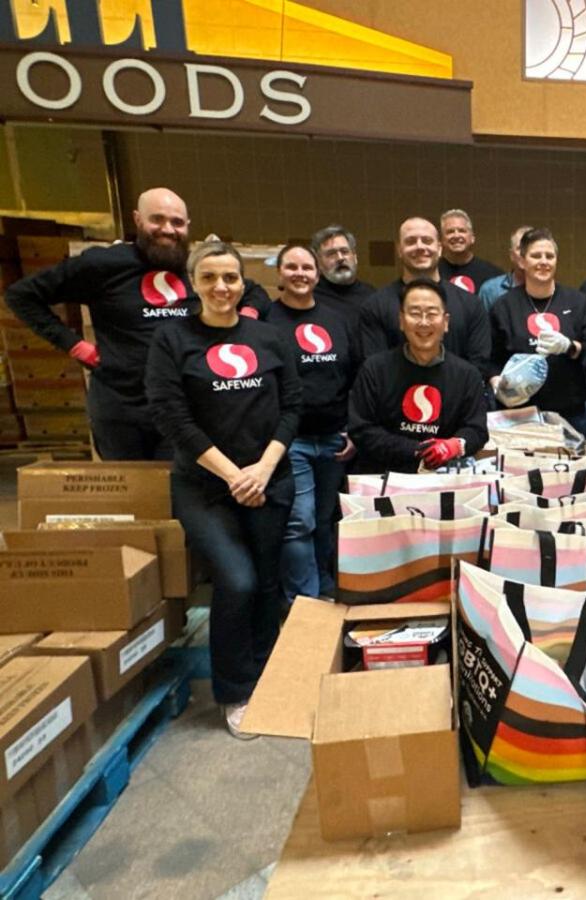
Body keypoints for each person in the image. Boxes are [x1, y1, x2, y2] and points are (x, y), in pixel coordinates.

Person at [145, 241, 301, 739]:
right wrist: (233, 475)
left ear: (242, 283)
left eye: (230, 277)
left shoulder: (269, 337)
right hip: (205, 487)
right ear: (193, 283)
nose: (221, 287)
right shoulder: (172, 340)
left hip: (268, 481)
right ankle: (234, 691)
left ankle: (268, 678)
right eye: (209, 277)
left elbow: (293, 407)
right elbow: (173, 417)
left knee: (268, 582)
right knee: (236, 581)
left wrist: (263, 468)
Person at [5, 188, 274, 459]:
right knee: (132, 496)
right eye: (157, 219)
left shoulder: (199, 267)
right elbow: (22, 295)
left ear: (187, 226)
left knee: (182, 494)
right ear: (137, 220)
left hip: (186, 408)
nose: (168, 229)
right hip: (123, 410)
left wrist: (242, 326)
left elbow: (254, 293)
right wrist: (75, 346)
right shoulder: (103, 264)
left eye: (177, 223)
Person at [262, 243, 358, 602]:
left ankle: (325, 587)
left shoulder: (336, 319)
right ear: (280, 273)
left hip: (335, 437)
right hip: (292, 440)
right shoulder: (268, 322)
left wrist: (351, 427)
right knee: (299, 522)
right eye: (292, 267)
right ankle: (303, 600)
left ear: (318, 274)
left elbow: (352, 375)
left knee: (324, 518)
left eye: (307, 267)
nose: (300, 273)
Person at [349, 279, 488, 474]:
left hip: (445, 478)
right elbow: (361, 429)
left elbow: (477, 430)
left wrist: (454, 445)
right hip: (383, 475)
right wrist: (417, 450)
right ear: (401, 321)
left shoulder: (467, 374)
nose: (423, 322)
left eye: (431, 314)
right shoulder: (374, 369)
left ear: (446, 322)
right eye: (415, 314)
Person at [358, 218, 491, 385]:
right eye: (411, 241)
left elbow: (478, 366)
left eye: (427, 241)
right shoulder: (375, 306)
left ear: (440, 248)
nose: (420, 247)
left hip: (455, 404)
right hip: (396, 405)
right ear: (399, 249)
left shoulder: (471, 304)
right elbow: (375, 370)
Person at [489, 228, 586, 435]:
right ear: (522, 261)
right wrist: (496, 383)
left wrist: (570, 346)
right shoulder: (504, 306)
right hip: (518, 415)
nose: (543, 261)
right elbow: (490, 358)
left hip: (571, 414)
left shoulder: (577, 302)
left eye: (550, 256)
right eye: (536, 255)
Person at [311, 225, 374, 328]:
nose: (340, 258)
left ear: (355, 258)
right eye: (331, 254)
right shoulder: (311, 297)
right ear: (318, 263)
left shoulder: (371, 296)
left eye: (344, 252)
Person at [437, 209, 503, 294]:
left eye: (462, 231)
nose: (456, 235)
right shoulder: (432, 271)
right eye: (450, 232)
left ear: (472, 238)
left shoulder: (492, 274)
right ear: (442, 239)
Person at [479, 225, 532, 312]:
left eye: (529, 248)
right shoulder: (491, 290)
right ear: (512, 255)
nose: (524, 253)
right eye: (519, 248)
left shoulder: (549, 290)